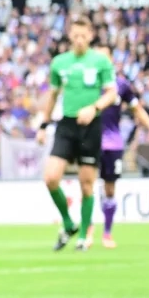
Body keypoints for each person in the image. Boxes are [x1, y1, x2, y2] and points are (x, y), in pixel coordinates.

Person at [36, 16, 118, 252]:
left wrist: (94, 108)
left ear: (90, 36)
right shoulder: (59, 63)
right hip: (66, 125)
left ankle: (83, 236)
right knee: (51, 177)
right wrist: (43, 125)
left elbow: (111, 93)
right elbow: (53, 96)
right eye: (76, 35)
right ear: (70, 36)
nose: (79, 39)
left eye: (84, 35)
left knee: (86, 184)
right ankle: (68, 223)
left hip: (91, 126)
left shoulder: (100, 61)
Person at [83, 48, 149, 248]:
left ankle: (107, 234)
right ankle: (88, 231)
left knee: (110, 188)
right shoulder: (87, 84)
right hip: (90, 141)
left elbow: (137, 109)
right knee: (87, 186)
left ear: (110, 60)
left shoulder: (121, 85)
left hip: (112, 143)